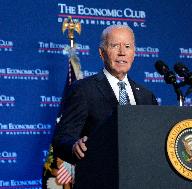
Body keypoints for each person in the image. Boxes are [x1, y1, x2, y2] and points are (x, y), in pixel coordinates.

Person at [52, 25, 158, 189]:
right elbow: (61, 139)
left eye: (127, 46)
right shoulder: (83, 90)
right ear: (102, 53)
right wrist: (73, 146)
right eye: (115, 46)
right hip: (99, 181)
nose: (122, 52)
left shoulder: (146, 96)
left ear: (134, 53)